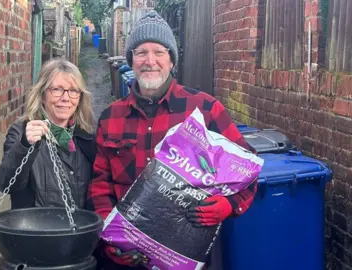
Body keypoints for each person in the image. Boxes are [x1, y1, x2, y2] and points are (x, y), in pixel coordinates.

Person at [87, 11, 258, 269]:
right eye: (141, 52)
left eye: (159, 52)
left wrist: (228, 205)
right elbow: (101, 183)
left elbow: (247, 171)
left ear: (171, 60)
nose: (150, 61)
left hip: (182, 253)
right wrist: (109, 238)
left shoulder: (205, 109)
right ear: (131, 60)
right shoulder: (112, 117)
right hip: (125, 255)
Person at [0, 58, 96, 211]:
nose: (66, 98)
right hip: (38, 232)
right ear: (42, 95)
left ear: (80, 97)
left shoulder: (86, 136)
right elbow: (5, 184)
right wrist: (24, 145)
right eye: (57, 89)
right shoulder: (23, 133)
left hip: (80, 232)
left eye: (73, 91)